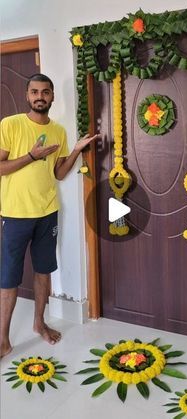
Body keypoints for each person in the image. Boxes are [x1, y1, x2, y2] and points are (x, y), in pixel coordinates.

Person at [0, 73, 98, 358]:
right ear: (27, 95)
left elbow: (58, 173)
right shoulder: (11, 125)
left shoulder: (58, 132)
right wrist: (31, 156)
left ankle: (39, 324)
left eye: (45, 91)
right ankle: (3, 340)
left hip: (47, 213)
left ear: (52, 96)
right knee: (8, 278)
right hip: (16, 214)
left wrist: (76, 150)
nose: (39, 96)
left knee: (44, 271)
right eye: (34, 91)